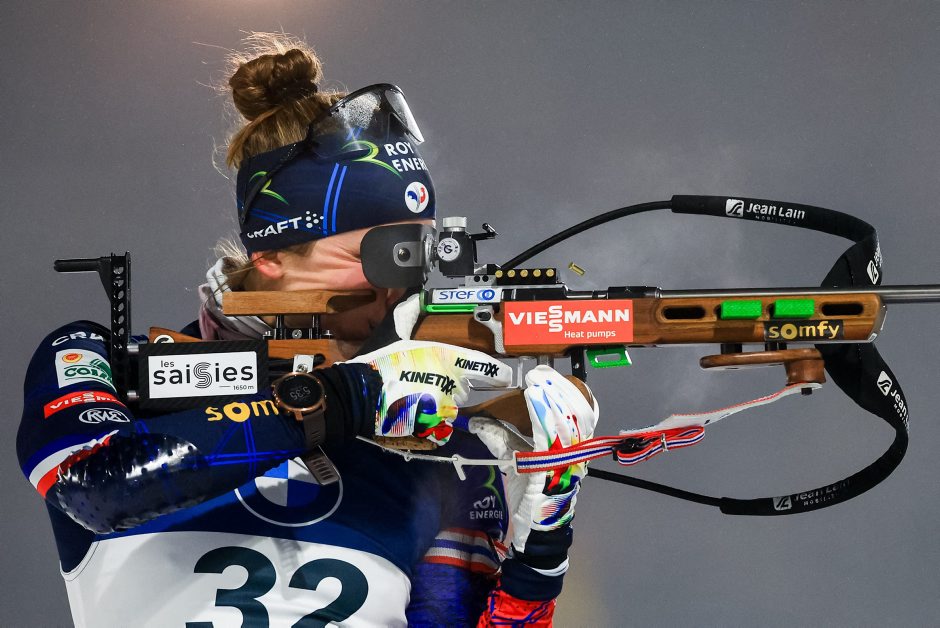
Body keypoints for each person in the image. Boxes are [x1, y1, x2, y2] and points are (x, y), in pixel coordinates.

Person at [17, 33, 598, 627]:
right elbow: (93, 488)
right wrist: (344, 399)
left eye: (419, 253)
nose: (401, 284)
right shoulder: (103, 361)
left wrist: (541, 553)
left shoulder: (430, 436)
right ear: (271, 255)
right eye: (378, 254)